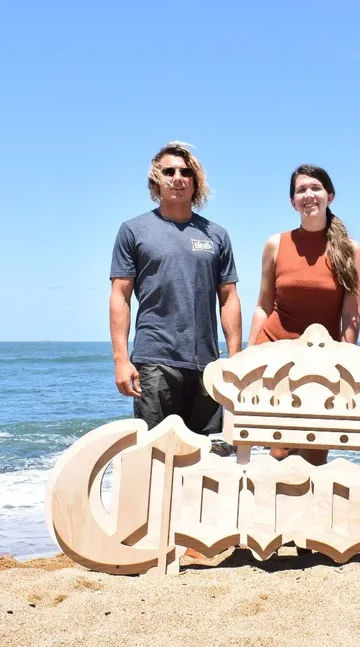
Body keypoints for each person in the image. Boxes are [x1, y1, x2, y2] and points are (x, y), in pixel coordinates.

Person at [110, 141, 242, 436]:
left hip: (207, 365)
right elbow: (120, 295)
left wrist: (235, 359)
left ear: (196, 182)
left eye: (186, 172)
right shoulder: (133, 230)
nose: (178, 177)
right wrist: (121, 358)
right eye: (168, 171)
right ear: (156, 180)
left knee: (205, 457)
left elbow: (229, 297)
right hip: (155, 361)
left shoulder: (216, 235)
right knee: (154, 455)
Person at [248, 164, 360, 464]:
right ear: (292, 201)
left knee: (315, 454)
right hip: (272, 355)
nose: (308, 195)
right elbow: (263, 305)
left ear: (330, 196)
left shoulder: (351, 250)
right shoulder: (275, 244)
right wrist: (247, 357)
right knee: (279, 450)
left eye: (315, 188)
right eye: (301, 190)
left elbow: (351, 315)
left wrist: (345, 364)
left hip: (322, 364)